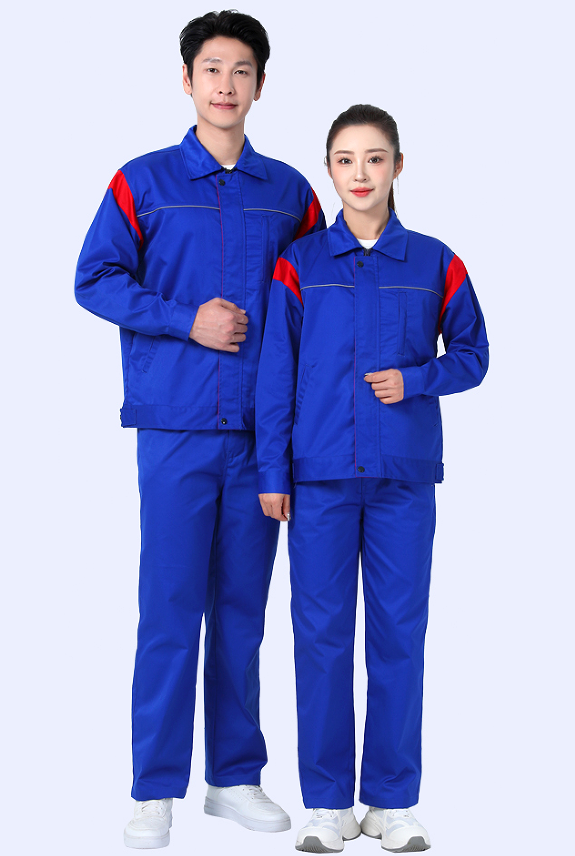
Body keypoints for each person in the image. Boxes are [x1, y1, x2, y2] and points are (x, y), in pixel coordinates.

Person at [75, 10, 325, 849]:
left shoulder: (290, 193)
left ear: (260, 85)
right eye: (211, 69)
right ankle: (154, 788)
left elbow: (318, 301)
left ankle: (234, 778)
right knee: (169, 608)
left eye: (241, 71)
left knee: (243, 612)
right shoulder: (140, 182)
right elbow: (94, 278)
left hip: (261, 434)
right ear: (186, 80)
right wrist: (186, 320)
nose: (225, 85)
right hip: (176, 427)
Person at [256, 104, 489, 853]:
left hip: (402, 479)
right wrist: (272, 471)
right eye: (345, 160)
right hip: (319, 479)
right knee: (320, 640)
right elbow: (275, 373)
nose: (360, 174)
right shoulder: (300, 264)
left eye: (375, 158)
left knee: (398, 638)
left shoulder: (435, 261)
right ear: (329, 171)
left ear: (397, 166)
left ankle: (391, 801)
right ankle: (327, 805)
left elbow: (474, 355)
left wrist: (417, 379)